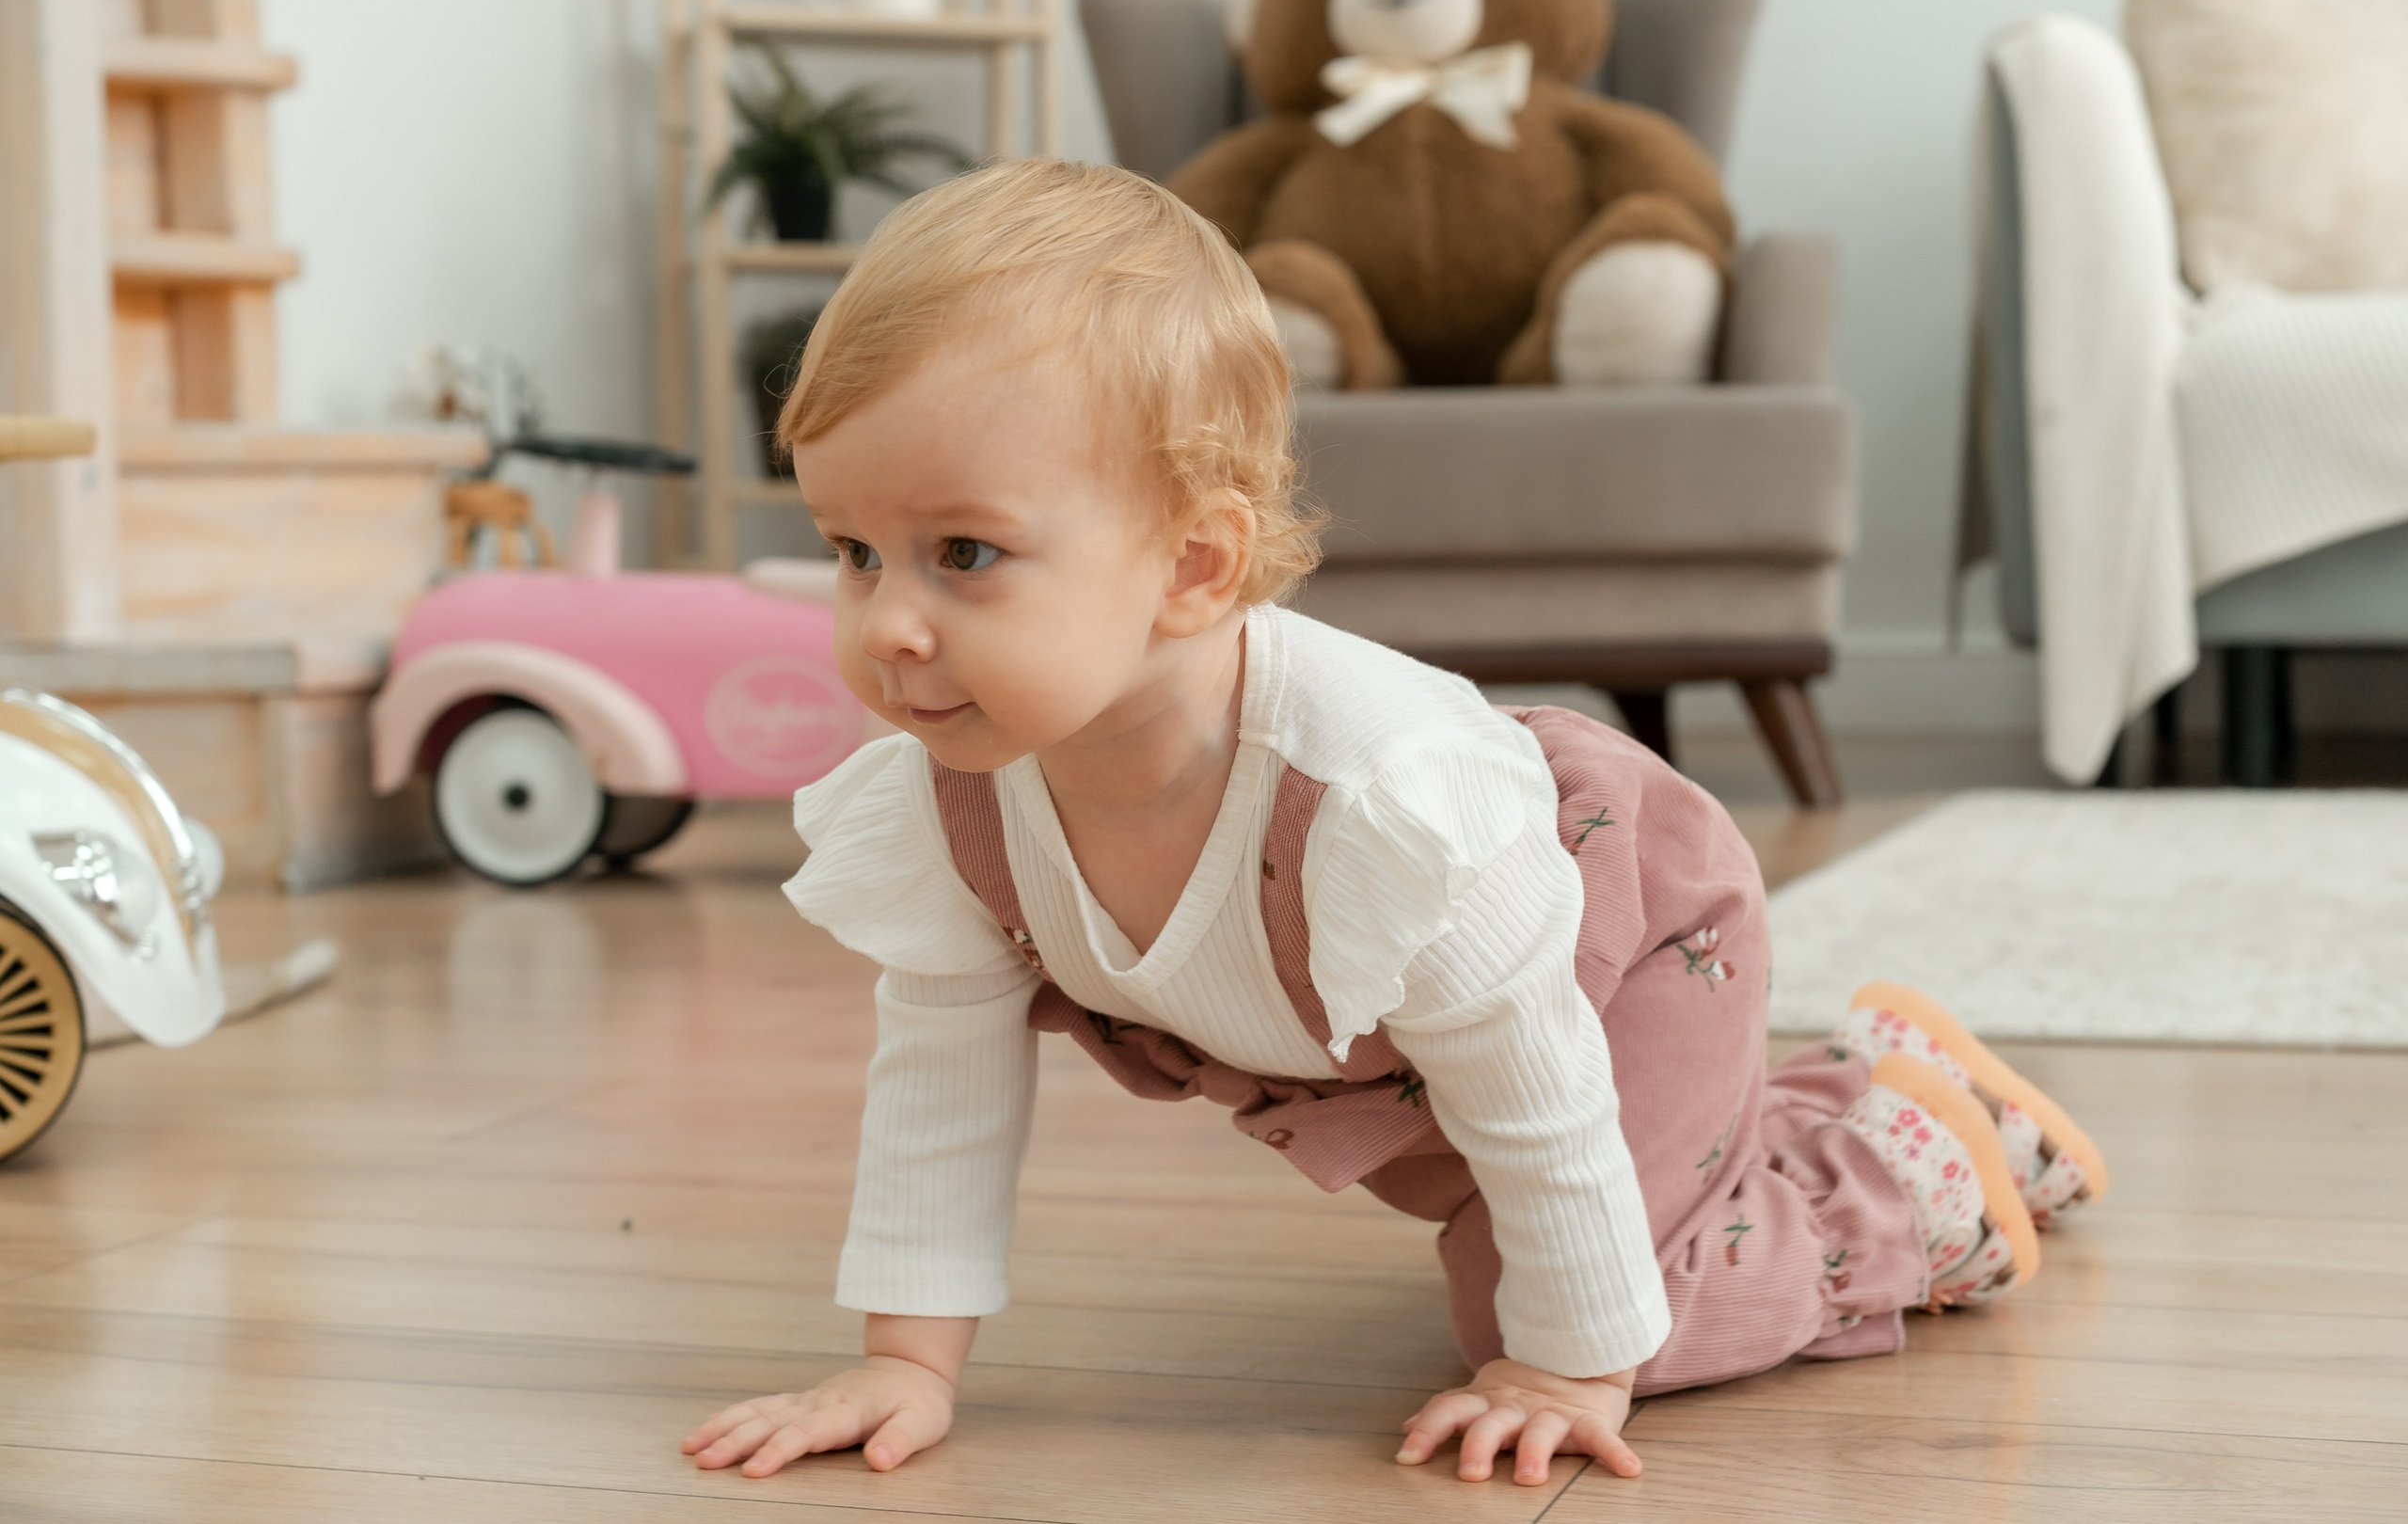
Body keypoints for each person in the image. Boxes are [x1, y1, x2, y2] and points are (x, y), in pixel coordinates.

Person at [681, 159, 2107, 1487]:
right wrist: (903, 1362)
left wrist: (1569, 1370)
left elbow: (1539, 1095)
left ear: (1192, 564)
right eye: (853, 552)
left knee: (1601, 1311)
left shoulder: (1377, 804)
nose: (893, 625)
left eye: (965, 554)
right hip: (1402, 1046)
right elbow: (942, 1080)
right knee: (1539, 1228)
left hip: (1619, 951)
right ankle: (1850, 1088)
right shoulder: (963, 792)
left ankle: (1907, 1174)